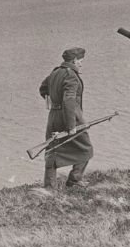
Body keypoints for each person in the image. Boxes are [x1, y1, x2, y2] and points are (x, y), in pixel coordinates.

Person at [38, 47, 93, 189]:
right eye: (80, 61)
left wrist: (51, 102)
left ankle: (49, 187)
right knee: (86, 149)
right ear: (74, 60)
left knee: (52, 149)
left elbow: (42, 89)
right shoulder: (71, 75)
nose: (81, 63)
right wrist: (71, 126)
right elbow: (69, 100)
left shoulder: (55, 72)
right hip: (70, 116)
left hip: (54, 117)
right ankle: (74, 180)